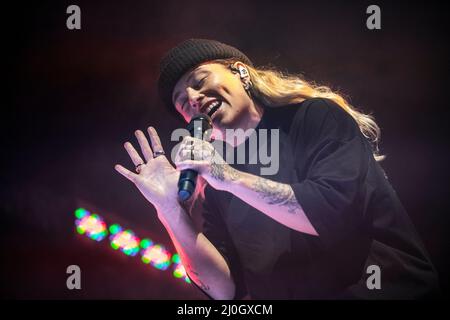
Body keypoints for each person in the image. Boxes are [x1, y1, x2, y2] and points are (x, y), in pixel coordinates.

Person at [114, 39, 439, 299]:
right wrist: (171, 213)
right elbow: (224, 292)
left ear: (240, 72)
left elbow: (330, 212)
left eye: (199, 82)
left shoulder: (314, 117)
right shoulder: (213, 181)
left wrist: (226, 176)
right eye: (183, 103)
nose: (193, 99)